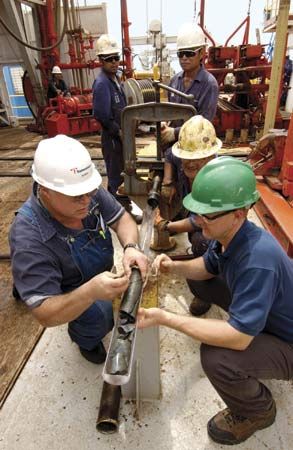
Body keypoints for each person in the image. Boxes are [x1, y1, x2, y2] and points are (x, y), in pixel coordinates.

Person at [138, 156, 293, 445]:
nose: (198, 222)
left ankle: (259, 411)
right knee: (199, 277)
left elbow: (238, 339)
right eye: (198, 214)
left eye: (208, 216)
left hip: (288, 341)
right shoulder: (229, 237)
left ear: (239, 213)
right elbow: (207, 266)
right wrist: (173, 266)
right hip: (272, 318)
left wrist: (165, 317)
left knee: (218, 356)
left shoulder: (258, 260)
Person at [9, 135, 148, 365]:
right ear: (45, 191)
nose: (86, 200)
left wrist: (131, 247)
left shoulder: (84, 191)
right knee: (100, 316)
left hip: (97, 274)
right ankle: (85, 339)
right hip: (67, 287)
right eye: (76, 197)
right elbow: (45, 314)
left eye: (90, 192)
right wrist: (90, 292)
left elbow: (122, 219)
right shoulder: (28, 237)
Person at [156, 115, 226, 316]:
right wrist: (168, 181)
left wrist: (166, 226)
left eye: (196, 165)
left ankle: (207, 291)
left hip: (217, 228)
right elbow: (170, 155)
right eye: (187, 163)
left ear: (210, 156)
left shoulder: (218, 179)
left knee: (202, 240)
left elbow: (200, 221)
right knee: (194, 237)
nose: (190, 168)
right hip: (198, 215)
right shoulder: (184, 157)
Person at [160, 23, 219, 217]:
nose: (184, 58)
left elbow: (206, 121)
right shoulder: (174, 81)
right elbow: (170, 113)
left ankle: (197, 227)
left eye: (189, 53)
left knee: (199, 197)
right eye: (180, 54)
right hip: (175, 150)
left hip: (197, 152)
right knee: (179, 191)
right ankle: (180, 215)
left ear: (202, 52)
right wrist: (165, 126)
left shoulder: (209, 84)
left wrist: (174, 133)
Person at [92, 34, 142, 223]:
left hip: (121, 137)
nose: (114, 62)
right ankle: (120, 216)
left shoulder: (115, 79)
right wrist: (118, 132)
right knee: (116, 176)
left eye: (116, 57)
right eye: (108, 59)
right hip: (113, 139)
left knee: (124, 172)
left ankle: (123, 210)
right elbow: (101, 115)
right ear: (100, 60)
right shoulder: (102, 84)